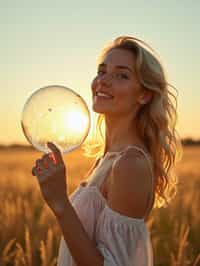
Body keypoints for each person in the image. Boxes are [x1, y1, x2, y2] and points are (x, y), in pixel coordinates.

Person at [32, 36, 182, 266]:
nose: (103, 81)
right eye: (102, 71)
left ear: (144, 94)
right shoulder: (105, 160)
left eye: (121, 75)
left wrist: (60, 203)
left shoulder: (130, 165)